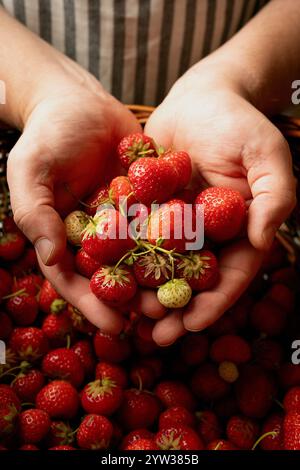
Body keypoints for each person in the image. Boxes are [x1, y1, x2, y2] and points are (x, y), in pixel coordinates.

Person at [0, 0, 297, 346]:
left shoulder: (156, 212)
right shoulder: (146, 219)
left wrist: (233, 83)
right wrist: (40, 95)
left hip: (245, 51)